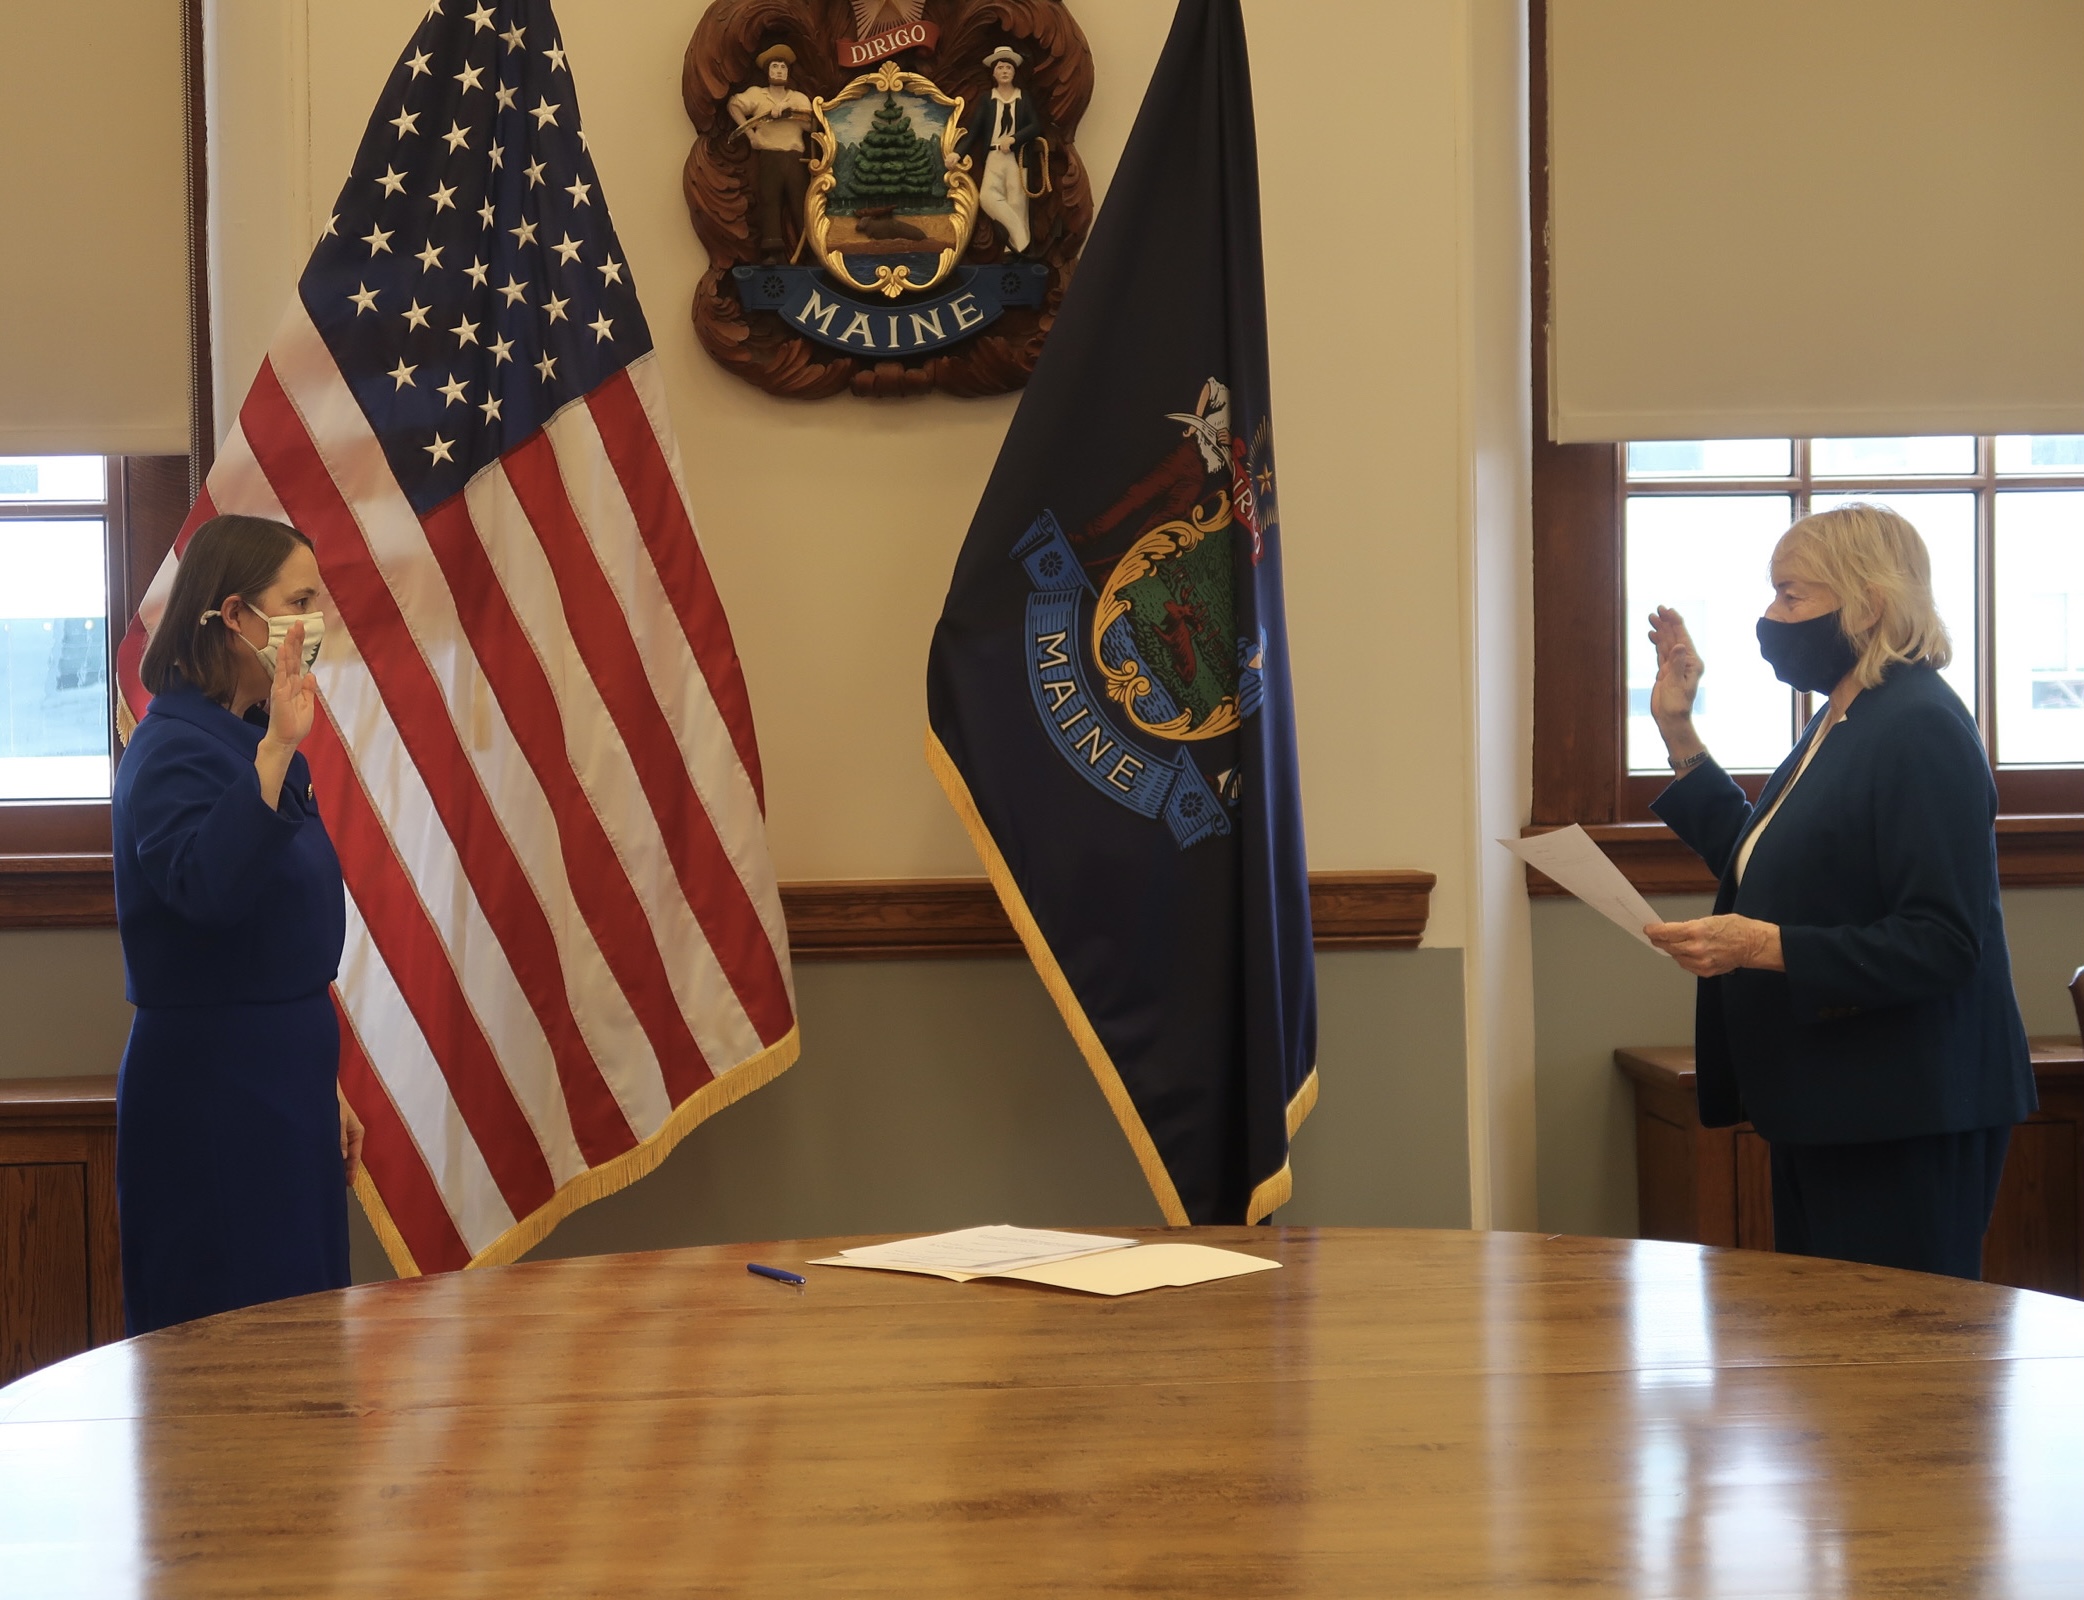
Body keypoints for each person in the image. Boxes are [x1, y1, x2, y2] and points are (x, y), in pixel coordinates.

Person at [1643, 503, 2036, 1280]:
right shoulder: (1846, 717)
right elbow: (1767, 861)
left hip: (1902, 1110)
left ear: (1870, 604)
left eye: (1792, 597)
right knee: (1833, 1364)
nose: (1771, 616)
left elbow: (1944, 940)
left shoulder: (1917, 726)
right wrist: (1678, 733)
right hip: (1833, 1100)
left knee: (1895, 1362)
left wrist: (1757, 945)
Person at [114, 514, 359, 1335]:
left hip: (283, 1070)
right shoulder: (176, 746)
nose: (317, 617)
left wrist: (322, 1075)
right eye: (299, 599)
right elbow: (208, 892)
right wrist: (275, 756)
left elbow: (282, 933)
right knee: (234, 1334)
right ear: (234, 618)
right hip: (215, 1086)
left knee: (302, 1321)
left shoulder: (246, 739)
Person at [950, 46, 1042, 255]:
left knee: (1017, 201)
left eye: (1008, 67)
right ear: (994, 73)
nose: (1004, 71)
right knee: (987, 198)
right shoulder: (987, 100)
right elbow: (974, 131)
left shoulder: (1023, 98)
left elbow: (1035, 126)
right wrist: (958, 153)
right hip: (994, 156)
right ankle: (1023, 240)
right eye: (1000, 67)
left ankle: (1013, 251)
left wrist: (1014, 138)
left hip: (1017, 158)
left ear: (1014, 72)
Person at [729, 44, 815, 263]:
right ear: (767, 71)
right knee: (770, 200)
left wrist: (789, 115)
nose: (779, 71)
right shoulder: (757, 95)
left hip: (794, 157)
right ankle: (772, 250)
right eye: (775, 66)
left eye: (783, 67)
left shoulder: (798, 98)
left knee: (800, 203)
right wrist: (751, 135)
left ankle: (811, 250)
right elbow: (734, 105)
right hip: (769, 155)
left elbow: (810, 126)